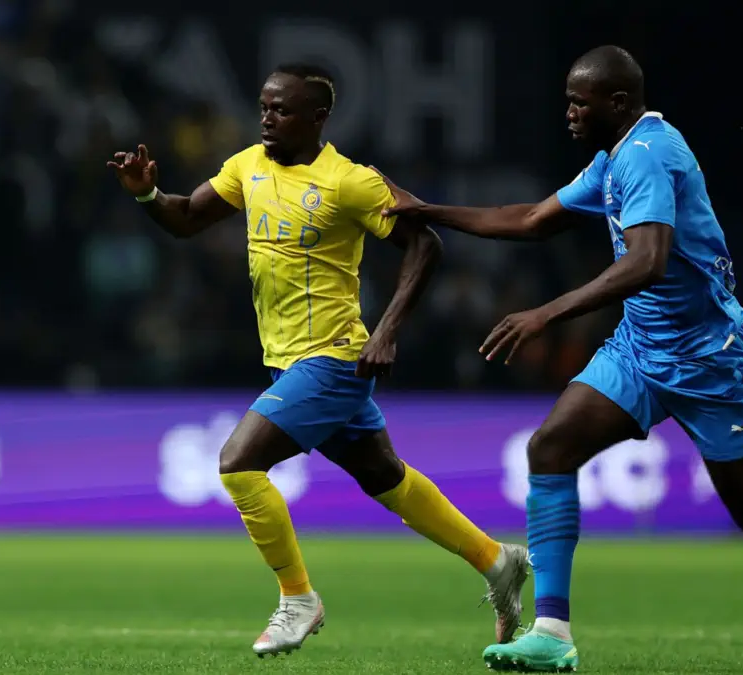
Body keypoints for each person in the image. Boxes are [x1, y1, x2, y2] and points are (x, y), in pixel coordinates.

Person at [377, 45, 743, 672]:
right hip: (640, 349)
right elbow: (530, 218)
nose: (569, 113)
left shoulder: (648, 154)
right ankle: (551, 632)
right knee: (550, 449)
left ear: (619, 102)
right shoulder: (611, 158)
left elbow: (647, 261)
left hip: (712, 359)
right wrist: (428, 210)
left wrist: (546, 313)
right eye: (568, 102)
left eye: (580, 103)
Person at [107, 63, 529, 657]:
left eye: (282, 110)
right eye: (264, 107)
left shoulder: (348, 182)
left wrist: (387, 331)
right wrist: (147, 194)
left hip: (334, 358)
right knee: (385, 477)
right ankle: (497, 560)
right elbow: (185, 218)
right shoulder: (247, 166)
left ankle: (298, 598)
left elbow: (424, 242)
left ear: (318, 118)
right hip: (286, 361)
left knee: (238, 463)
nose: (267, 118)